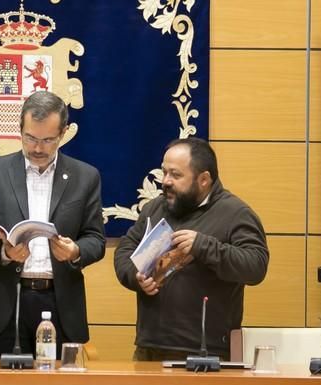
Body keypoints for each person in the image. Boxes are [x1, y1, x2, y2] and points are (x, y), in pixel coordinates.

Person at [0, 91, 106, 359]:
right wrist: (5, 253)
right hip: (7, 302)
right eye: (30, 138)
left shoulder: (85, 177)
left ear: (63, 133)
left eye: (48, 140)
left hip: (60, 301)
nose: (38, 148)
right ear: (19, 129)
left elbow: (95, 239)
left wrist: (75, 251)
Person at [114, 137, 269, 361]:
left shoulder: (235, 213)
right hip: (149, 348)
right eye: (164, 172)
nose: (166, 181)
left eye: (176, 175)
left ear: (204, 179)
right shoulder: (156, 207)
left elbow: (255, 266)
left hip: (208, 354)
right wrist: (135, 277)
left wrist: (204, 246)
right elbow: (125, 249)